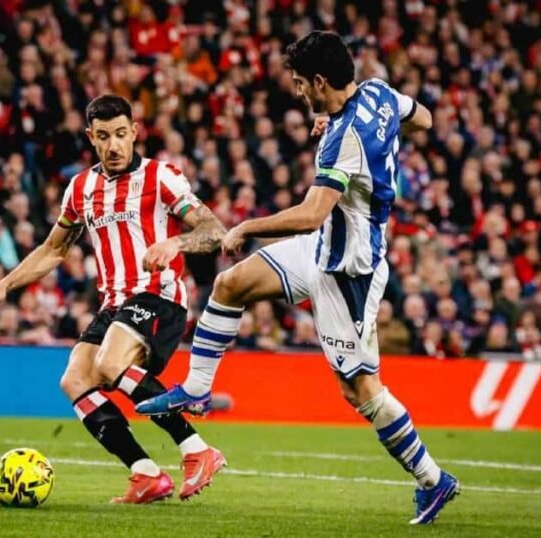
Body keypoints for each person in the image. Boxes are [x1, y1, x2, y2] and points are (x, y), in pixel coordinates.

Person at [135, 31, 460, 524]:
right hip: (323, 244)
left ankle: (433, 480)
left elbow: (311, 213)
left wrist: (248, 225)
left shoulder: (344, 139)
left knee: (360, 391)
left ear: (321, 80)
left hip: (346, 267)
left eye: (301, 83)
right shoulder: (376, 92)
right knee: (230, 285)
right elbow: (425, 118)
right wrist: (359, 134)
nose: (298, 92)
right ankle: (198, 389)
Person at [0, 95, 227, 504]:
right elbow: (53, 250)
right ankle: (145, 474)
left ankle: (197, 450)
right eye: (104, 137)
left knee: (109, 363)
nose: (114, 146)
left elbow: (214, 230)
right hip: (115, 306)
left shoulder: (161, 177)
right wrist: (3, 286)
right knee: (74, 380)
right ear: (91, 137)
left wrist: (176, 242)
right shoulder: (81, 188)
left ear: (135, 132)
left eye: (122, 134)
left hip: (158, 294)